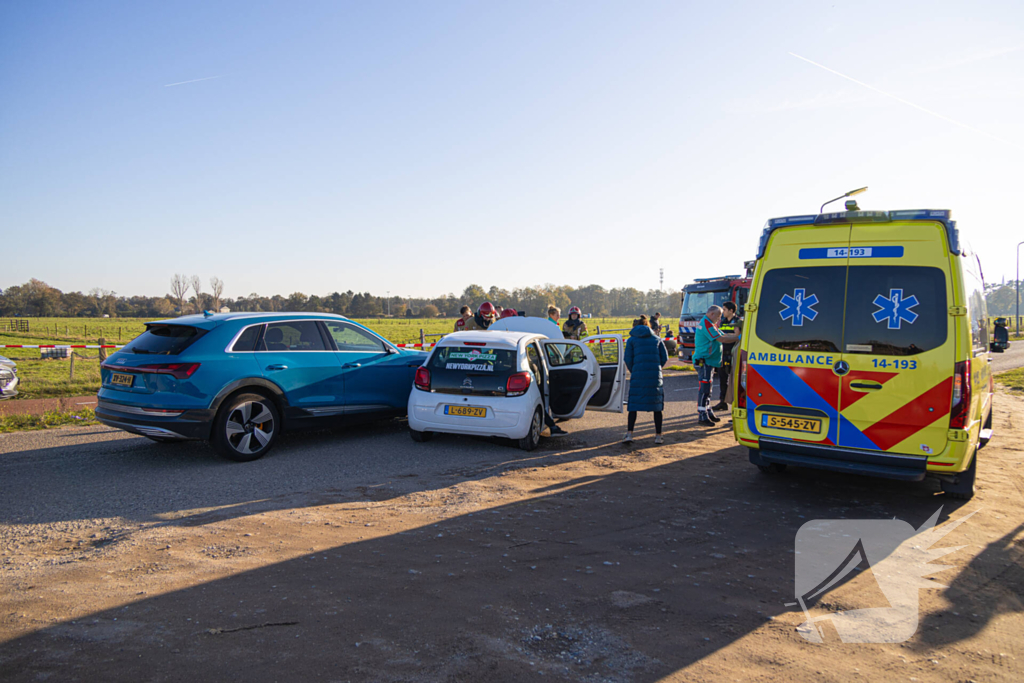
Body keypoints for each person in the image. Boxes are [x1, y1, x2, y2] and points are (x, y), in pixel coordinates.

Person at [621, 315, 669, 444]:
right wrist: (656, 367)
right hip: (654, 376)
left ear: (634, 327)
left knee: (633, 406)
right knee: (657, 406)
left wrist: (634, 370)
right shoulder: (657, 338)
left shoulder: (631, 340)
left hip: (638, 374)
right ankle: (658, 436)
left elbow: (627, 359)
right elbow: (664, 358)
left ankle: (630, 434)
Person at [693, 305, 739, 426]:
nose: (719, 318)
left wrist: (736, 337)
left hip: (709, 361)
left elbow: (723, 334)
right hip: (704, 361)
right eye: (718, 316)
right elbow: (721, 339)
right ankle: (702, 415)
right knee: (704, 389)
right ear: (712, 314)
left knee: (708, 388)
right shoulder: (707, 324)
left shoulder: (710, 323)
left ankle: (708, 410)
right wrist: (738, 338)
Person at [711, 301, 741, 413]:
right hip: (723, 354)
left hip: (733, 354)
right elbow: (719, 334)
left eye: (724, 309)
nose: (723, 312)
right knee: (722, 379)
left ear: (731, 311)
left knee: (734, 380)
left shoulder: (738, 321)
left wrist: (724, 336)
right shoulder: (722, 321)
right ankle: (722, 402)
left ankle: (735, 405)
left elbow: (737, 336)